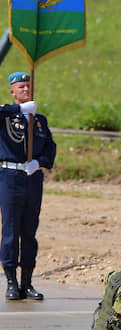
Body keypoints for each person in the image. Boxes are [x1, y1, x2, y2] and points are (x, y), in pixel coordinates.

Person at [0, 72, 57, 301]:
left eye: (28, 86)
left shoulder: (39, 119)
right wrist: (19, 111)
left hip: (32, 178)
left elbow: (50, 147)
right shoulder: (6, 115)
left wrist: (39, 163)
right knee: (11, 231)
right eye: (21, 87)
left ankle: (27, 282)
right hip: (10, 176)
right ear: (12, 91)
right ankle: (11, 282)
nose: (26, 90)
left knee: (29, 232)